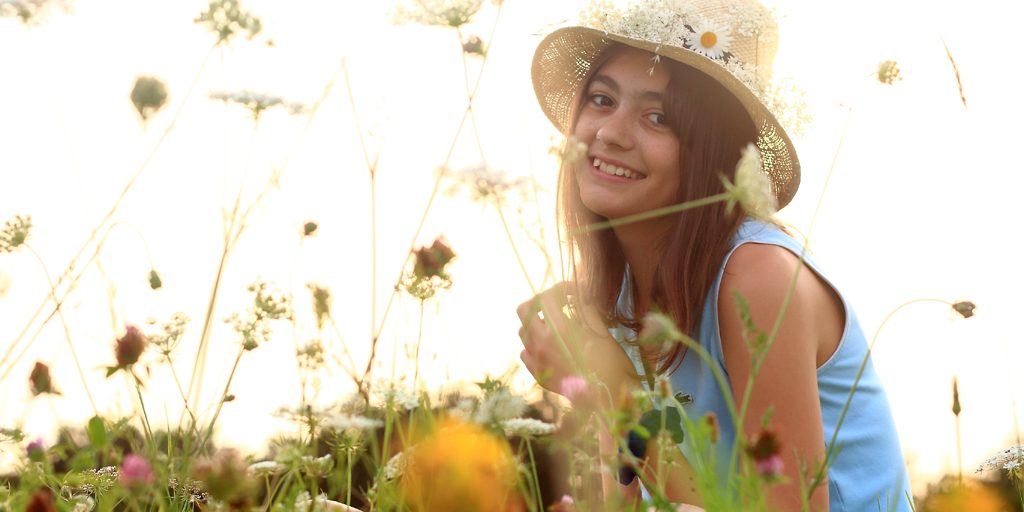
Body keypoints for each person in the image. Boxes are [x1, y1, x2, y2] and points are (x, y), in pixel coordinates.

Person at [516, 0, 912, 510]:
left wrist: (608, 387)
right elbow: (631, 494)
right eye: (600, 98)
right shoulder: (617, 295)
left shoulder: (759, 278)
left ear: (710, 148)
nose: (609, 133)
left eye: (658, 116)